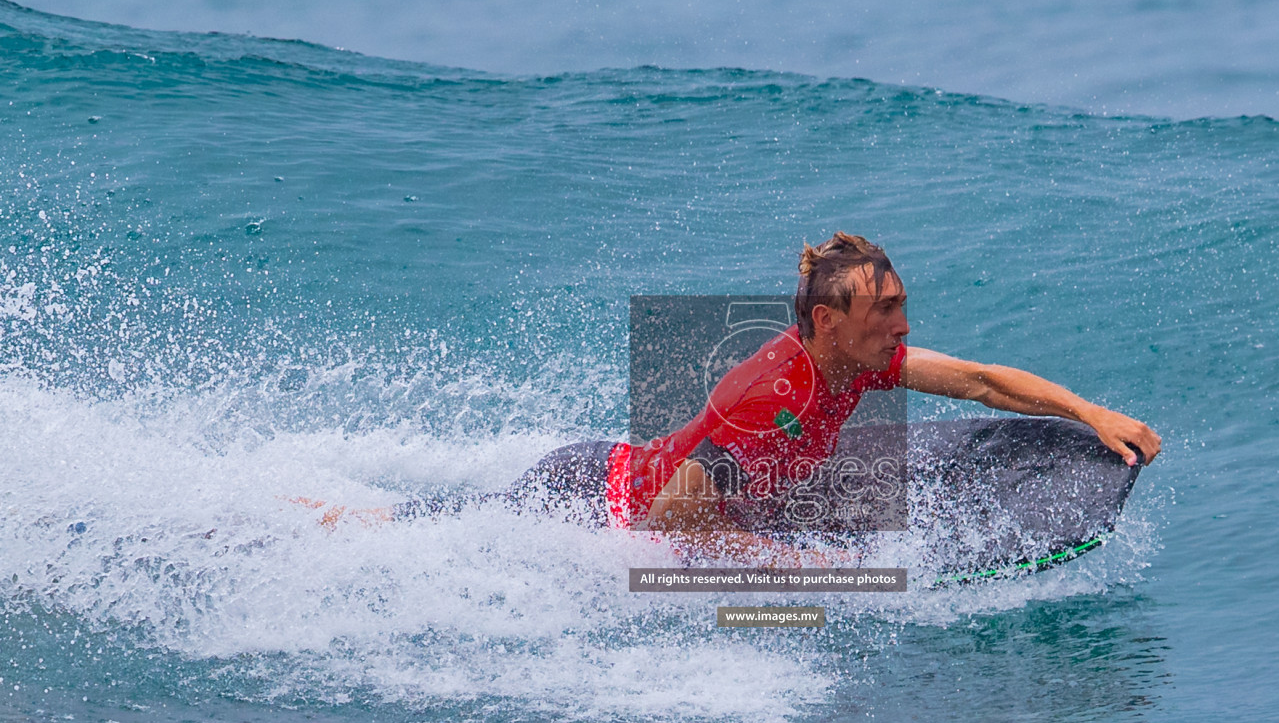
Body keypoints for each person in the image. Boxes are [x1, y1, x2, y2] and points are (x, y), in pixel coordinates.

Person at [311, 233, 1161, 557]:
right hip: (588, 505)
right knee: (406, 534)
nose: (902, 326)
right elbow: (672, 519)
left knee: (423, 519)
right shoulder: (771, 396)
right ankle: (293, 519)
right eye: (886, 312)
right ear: (830, 323)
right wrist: (793, 564)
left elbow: (979, 382)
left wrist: (1090, 412)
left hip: (612, 474)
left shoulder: (859, 359)